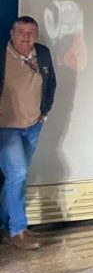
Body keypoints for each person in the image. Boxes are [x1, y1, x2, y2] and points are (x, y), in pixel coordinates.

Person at [0, 16, 57, 250]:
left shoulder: (42, 53)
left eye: (31, 32)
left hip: (33, 125)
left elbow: (51, 84)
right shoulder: (2, 55)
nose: (26, 37)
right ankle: (18, 230)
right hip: (6, 128)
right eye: (22, 32)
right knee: (18, 174)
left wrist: (44, 114)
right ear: (12, 35)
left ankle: (7, 225)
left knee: (15, 178)